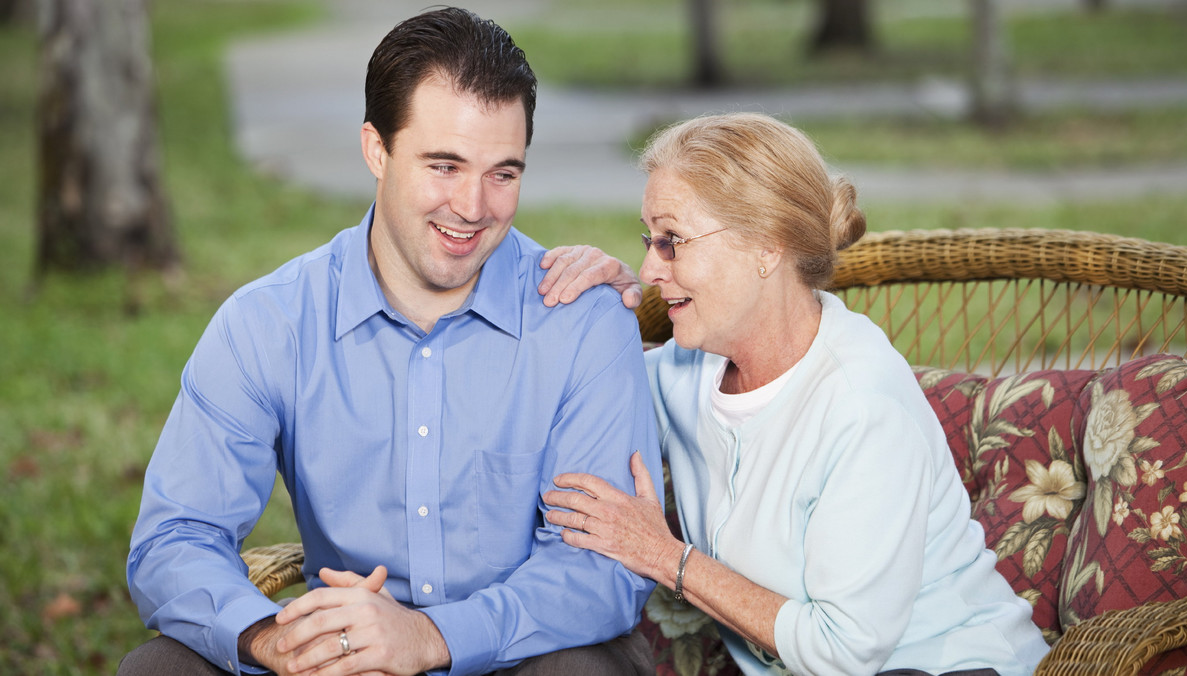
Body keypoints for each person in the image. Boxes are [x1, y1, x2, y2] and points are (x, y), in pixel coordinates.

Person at [120, 8, 661, 676]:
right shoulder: (271, 323)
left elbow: (601, 572)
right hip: (339, 660)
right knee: (160, 669)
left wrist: (431, 638)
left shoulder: (581, 322)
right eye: (444, 165)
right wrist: (274, 639)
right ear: (376, 149)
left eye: (504, 173)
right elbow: (175, 538)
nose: (473, 206)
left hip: (520, 655)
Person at [538, 112, 1052, 675]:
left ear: (766, 246)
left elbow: (844, 650)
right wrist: (600, 303)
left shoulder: (860, 405)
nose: (649, 267)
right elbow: (576, 397)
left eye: (672, 241)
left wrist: (662, 555)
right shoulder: (685, 370)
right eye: (647, 239)